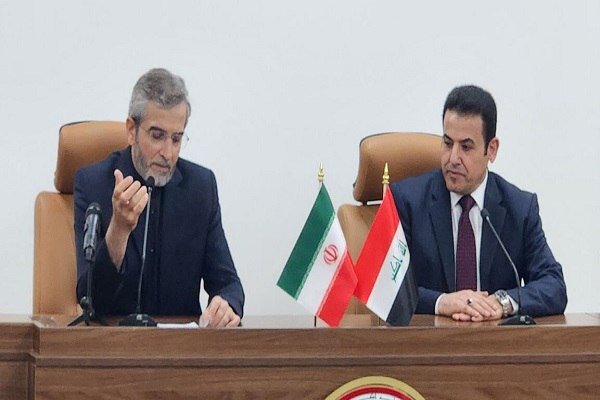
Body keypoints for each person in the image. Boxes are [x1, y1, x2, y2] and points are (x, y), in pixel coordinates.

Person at [74, 68, 244, 327]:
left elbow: (228, 283)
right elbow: (91, 300)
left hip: (180, 346)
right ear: (131, 130)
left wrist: (226, 305)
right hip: (112, 342)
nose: (168, 152)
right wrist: (119, 230)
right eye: (157, 136)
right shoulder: (93, 184)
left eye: (176, 139)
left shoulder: (200, 188)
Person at [391, 85, 567, 321]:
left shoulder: (519, 208)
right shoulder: (407, 201)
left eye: (466, 147)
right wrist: (441, 301)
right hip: (428, 340)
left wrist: (502, 302)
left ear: (491, 150)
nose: (453, 158)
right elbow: (387, 288)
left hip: (493, 341)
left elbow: (554, 286)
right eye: (447, 143)